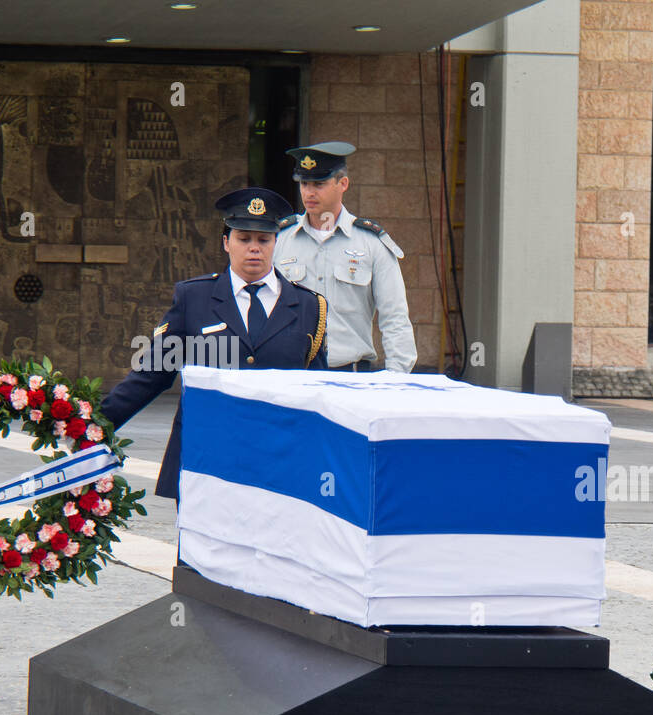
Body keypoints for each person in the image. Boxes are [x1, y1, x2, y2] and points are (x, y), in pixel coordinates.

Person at [102, 187, 328, 499]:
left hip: (279, 463)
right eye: (243, 239)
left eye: (263, 240)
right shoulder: (194, 299)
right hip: (205, 460)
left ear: (276, 242)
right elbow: (151, 375)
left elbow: (319, 391)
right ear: (226, 242)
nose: (254, 249)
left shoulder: (308, 306)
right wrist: (93, 423)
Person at [273, 141, 418, 373]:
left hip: (351, 375)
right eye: (304, 183)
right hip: (292, 377)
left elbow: (395, 317)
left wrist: (396, 380)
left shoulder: (371, 243)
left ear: (343, 184)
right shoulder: (279, 240)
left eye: (319, 184)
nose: (309, 192)